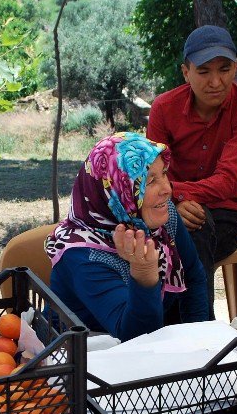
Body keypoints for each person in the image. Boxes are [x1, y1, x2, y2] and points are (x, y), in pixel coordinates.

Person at [146, 25, 237, 316]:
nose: (216, 81)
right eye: (203, 72)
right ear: (185, 72)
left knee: (192, 232)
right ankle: (179, 329)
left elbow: (227, 181)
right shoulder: (164, 108)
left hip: (225, 210)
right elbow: (151, 169)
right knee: (157, 235)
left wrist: (176, 193)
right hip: (168, 206)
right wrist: (174, 202)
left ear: (236, 68)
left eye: (224, 69)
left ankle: (198, 332)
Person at [47, 132, 209, 341]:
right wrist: (144, 274)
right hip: (84, 356)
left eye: (164, 174)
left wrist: (199, 342)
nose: (167, 189)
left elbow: (193, 275)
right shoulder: (83, 256)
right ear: (115, 190)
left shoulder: (161, 219)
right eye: (149, 181)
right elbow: (136, 338)